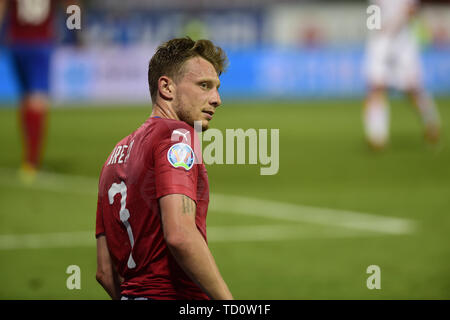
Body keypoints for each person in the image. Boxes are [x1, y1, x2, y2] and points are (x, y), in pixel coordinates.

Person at [95, 37, 233, 300]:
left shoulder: (115, 155)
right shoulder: (177, 136)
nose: (217, 99)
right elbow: (180, 234)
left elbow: (104, 271)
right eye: (204, 86)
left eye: (216, 88)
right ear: (167, 87)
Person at [363, 0, 441, 150]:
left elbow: (412, 10)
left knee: (412, 89)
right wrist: (378, 27)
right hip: (380, 42)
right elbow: (372, 13)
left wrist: (396, 23)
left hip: (403, 44)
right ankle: (377, 136)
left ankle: (431, 122)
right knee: (375, 87)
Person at [0, 0, 57, 181]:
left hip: (16, 42)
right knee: (37, 101)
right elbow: (72, 5)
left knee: (25, 99)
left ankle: (29, 160)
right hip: (40, 43)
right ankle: (31, 162)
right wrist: (76, 29)